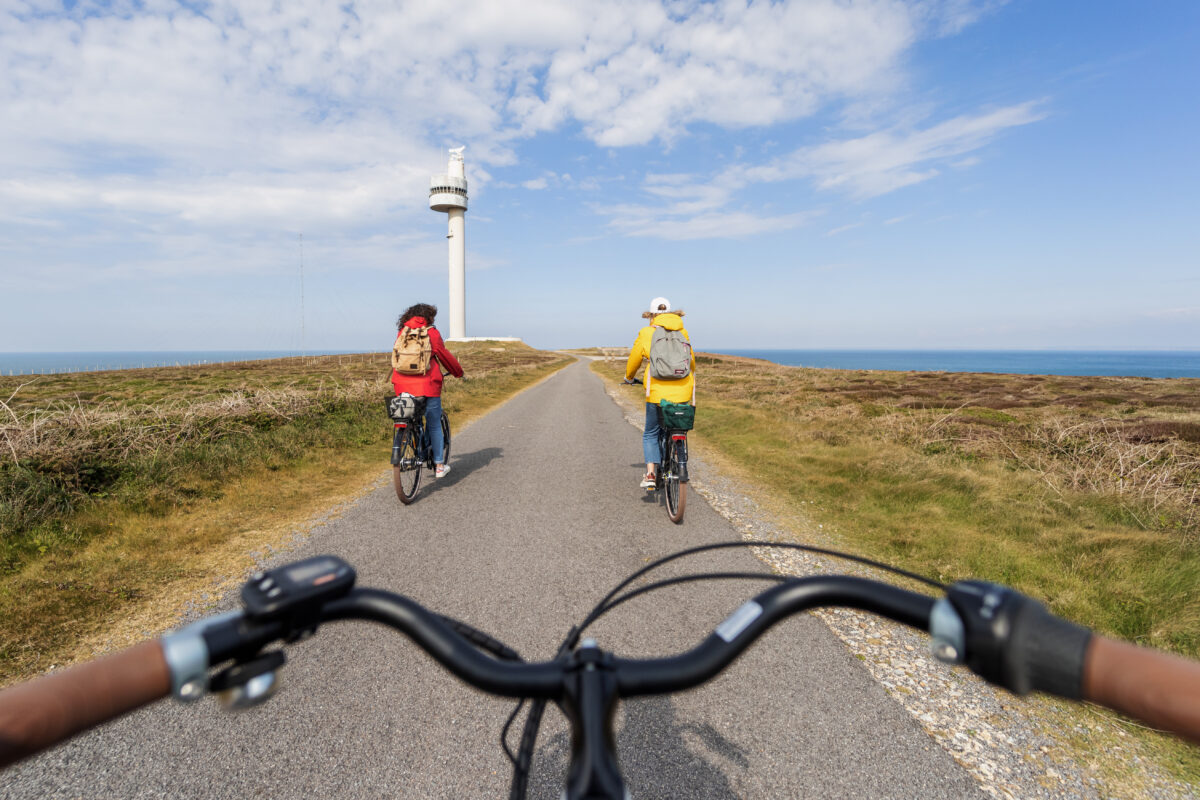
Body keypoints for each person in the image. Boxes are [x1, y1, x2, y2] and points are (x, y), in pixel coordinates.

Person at [625, 297, 695, 489]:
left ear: (652, 315)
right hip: (682, 392)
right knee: (677, 427)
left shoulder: (647, 332)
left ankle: (650, 474)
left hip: (656, 393)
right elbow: (692, 362)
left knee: (651, 433)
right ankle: (680, 460)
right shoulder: (683, 332)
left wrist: (629, 377)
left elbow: (634, 360)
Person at [391, 303, 463, 478]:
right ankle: (439, 465)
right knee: (433, 424)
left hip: (401, 386)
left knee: (407, 418)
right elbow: (444, 355)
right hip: (428, 386)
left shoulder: (403, 332)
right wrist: (458, 372)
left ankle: (406, 441)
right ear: (429, 317)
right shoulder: (431, 332)